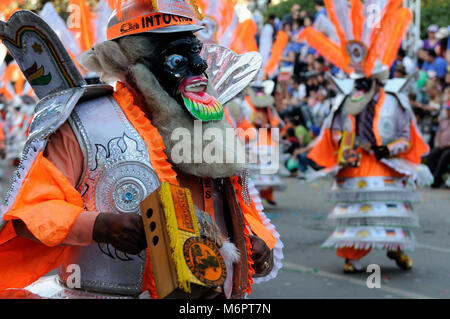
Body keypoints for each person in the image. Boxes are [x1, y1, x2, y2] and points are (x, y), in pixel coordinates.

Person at [0, 2, 283, 299]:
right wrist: (100, 226)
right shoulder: (82, 123)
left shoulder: (211, 120)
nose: (199, 67)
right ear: (130, 63)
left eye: (196, 52)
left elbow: (240, 203)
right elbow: (31, 212)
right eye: (177, 59)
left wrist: (254, 240)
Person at [300, 0, 431, 273]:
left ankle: (397, 251)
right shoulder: (345, 100)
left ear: (377, 80)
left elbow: (406, 135)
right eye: (358, 81)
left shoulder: (395, 100)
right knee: (357, 213)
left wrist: (389, 149)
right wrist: (342, 144)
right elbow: (334, 129)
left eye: (366, 82)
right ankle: (351, 254)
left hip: (386, 164)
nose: (361, 87)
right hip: (354, 163)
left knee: (390, 213)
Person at [426, 88, 450, 188]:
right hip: (441, 146)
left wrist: (446, 145)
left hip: (448, 147)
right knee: (431, 155)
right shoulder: (443, 120)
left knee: (445, 157)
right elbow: (438, 134)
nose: (448, 112)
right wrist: (438, 144)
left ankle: (437, 178)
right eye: (447, 110)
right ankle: (434, 177)